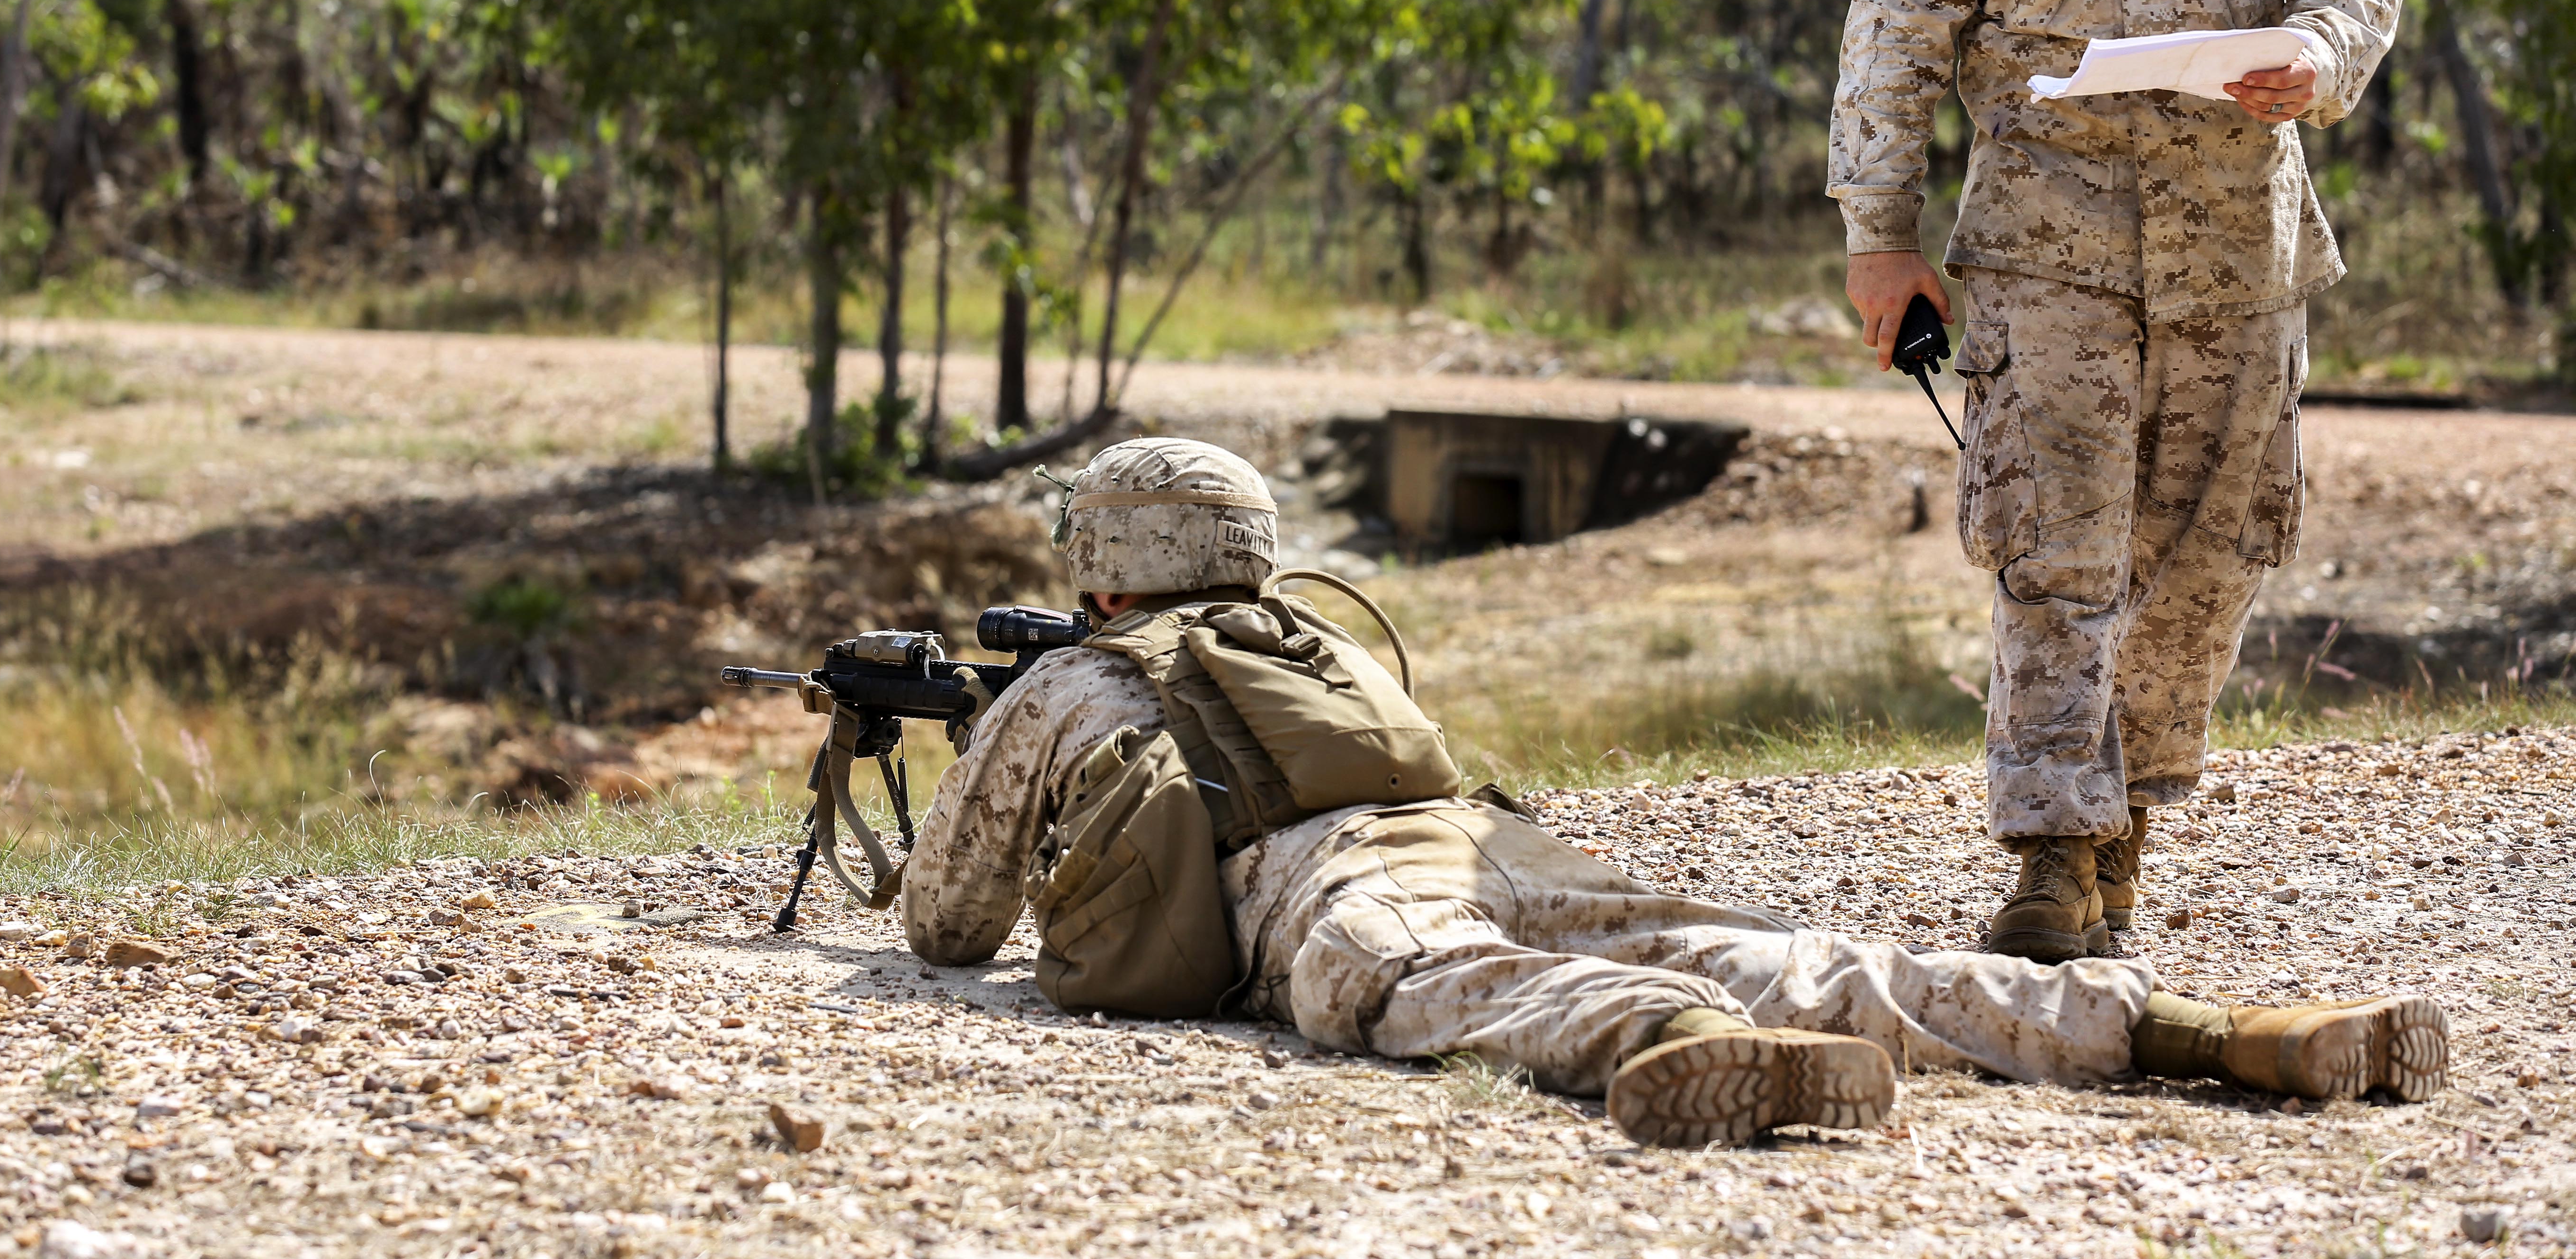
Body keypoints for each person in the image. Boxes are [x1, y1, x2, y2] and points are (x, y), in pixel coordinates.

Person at [902, 437, 2447, 1148]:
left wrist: (989, 749)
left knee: (1426, 987)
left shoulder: (1072, 680)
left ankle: (1681, 1049)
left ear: (1099, 560)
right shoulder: (1309, 632)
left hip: (1333, 881)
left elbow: (953, 926)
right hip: (1482, 836)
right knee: (1779, 950)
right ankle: (2208, 1033)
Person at [1829, 0, 2405, 959]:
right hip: (2047, 234)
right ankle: (2047, 851)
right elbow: (1897, 22)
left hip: (2238, 239)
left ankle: (2130, 819)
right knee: (2056, 543)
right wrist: (1878, 232)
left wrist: (2323, 58)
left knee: (2212, 550)